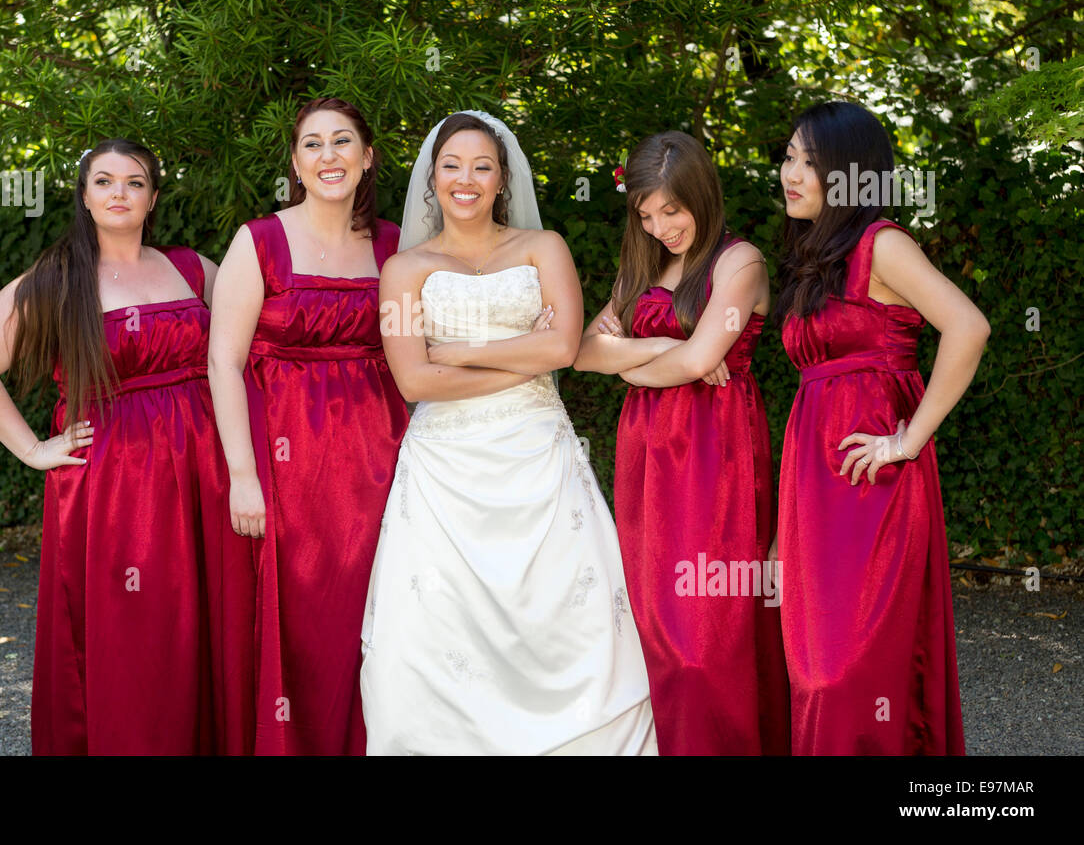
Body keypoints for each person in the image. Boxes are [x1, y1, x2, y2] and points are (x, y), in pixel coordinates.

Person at [359, 110, 656, 755]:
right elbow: (414, 382)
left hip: (537, 458)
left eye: (482, 166)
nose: (466, 180)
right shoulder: (402, 271)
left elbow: (564, 347)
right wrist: (520, 350)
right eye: (452, 165)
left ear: (502, 180)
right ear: (432, 177)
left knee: (561, 618)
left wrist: (455, 350)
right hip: (445, 472)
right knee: (440, 632)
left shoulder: (541, 249)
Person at [0, 139, 254, 754]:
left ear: (153, 198)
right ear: (85, 198)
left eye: (134, 182)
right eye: (104, 182)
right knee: (136, 638)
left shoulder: (193, 268)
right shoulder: (57, 280)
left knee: (205, 628)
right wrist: (34, 449)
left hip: (204, 471)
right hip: (117, 488)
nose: (119, 193)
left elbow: (252, 348)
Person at [775, 101, 988, 754]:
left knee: (850, 668)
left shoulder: (882, 244)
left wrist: (909, 439)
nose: (791, 172)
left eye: (809, 160)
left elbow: (968, 326)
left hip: (876, 480)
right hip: (815, 478)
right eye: (788, 156)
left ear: (849, 171)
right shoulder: (818, 256)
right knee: (813, 666)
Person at [573, 130, 790, 755]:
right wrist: (664, 351)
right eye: (646, 213)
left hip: (715, 453)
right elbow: (585, 352)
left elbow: (700, 363)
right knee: (655, 624)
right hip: (646, 454)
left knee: (708, 631)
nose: (660, 225)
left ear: (701, 192)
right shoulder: (643, 264)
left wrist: (638, 360)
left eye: (672, 208)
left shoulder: (739, 263)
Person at [209, 98, 408, 755]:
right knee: (295, 617)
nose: (329, 156)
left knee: (373, 613)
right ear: (295, 162)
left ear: (367, 155)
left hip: (380, 461)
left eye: (343, 141)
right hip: (284, 462)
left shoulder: (395, 244)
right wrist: (242, 475)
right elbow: (224, 360)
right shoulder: (259, 240)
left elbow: (428, 348)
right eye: (313, 145)